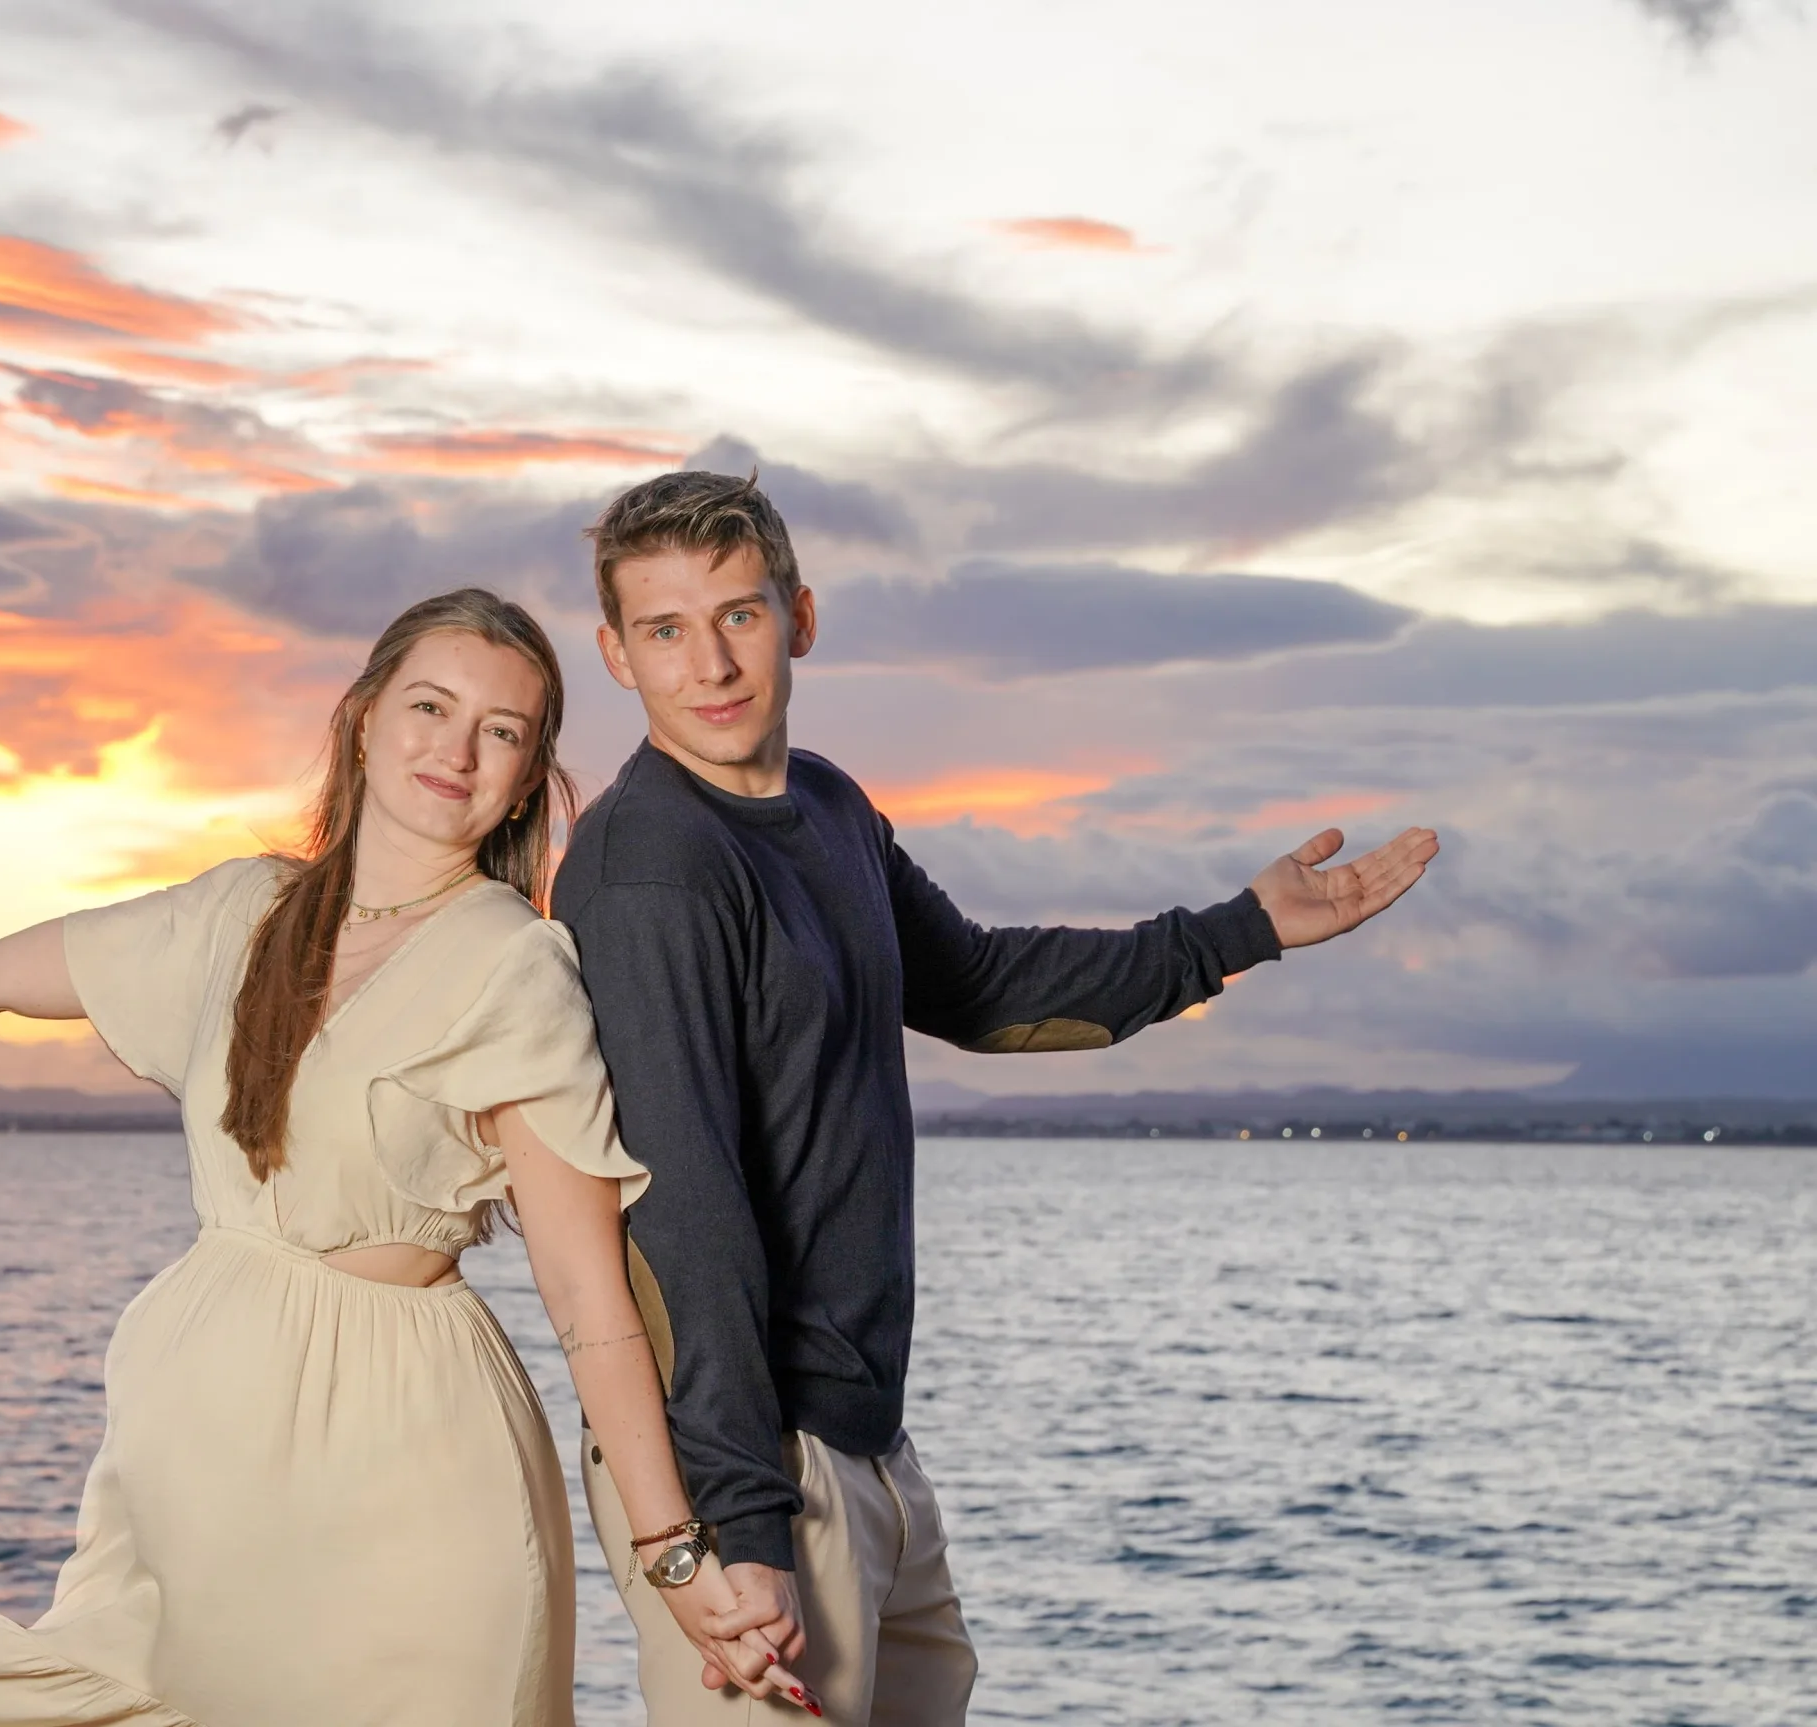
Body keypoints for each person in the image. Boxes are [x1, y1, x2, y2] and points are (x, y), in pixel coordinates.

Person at [0, 588, 817, 1727]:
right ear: (364, 718)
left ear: (526, 778)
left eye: (500, 730)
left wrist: (672, 1547)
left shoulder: (516, 965)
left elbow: (586, 1295)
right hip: (202, 1434)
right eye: (430, 706)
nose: (456, 749)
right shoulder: (243, 911)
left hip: (408, 1450)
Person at [554, 471, 1441, 1724]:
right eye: (665, 629)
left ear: (799, 616)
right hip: (753, 1467)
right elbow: (679, 1210)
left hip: (864, 1441)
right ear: (616, 654)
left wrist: (1239, 930)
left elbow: (976, 985)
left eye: (738, 614)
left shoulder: (825, 803)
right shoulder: (651, 865)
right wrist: (738, 1522)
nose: (710, 663)